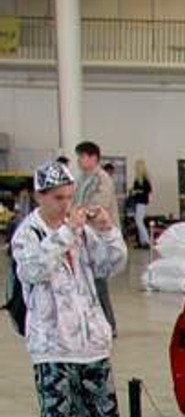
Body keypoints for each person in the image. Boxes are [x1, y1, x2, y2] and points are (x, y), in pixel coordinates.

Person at [9, 159, 127, 417]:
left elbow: (111, 266)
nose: (65, 205)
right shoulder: (27, 235)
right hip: (52, 343)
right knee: (57, 411)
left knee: (103, 409)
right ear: (40, 197)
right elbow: (33, 270)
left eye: (69, 197)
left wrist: (106, 231)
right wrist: (65, 233)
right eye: (58, 198)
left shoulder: (82, 232)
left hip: (91, 340)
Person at [73, 141, 119, 333]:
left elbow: (99, 206)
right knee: (88, 281)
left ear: (93, 158)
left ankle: (109, 324)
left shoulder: (102, 179)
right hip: (85, 236)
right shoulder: (82, 179)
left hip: (99, 237)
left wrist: (79, 212)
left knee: (98, 281)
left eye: (82, 156)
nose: (79, 160)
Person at [126, 160, 152, 248]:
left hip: (141, 202)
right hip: (140, 202)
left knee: (139, 221)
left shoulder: (142, 180)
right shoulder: (141, 179)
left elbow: (147, 190)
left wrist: (136, 191)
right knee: (139, 221)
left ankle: (146, 241)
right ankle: (142, 242)